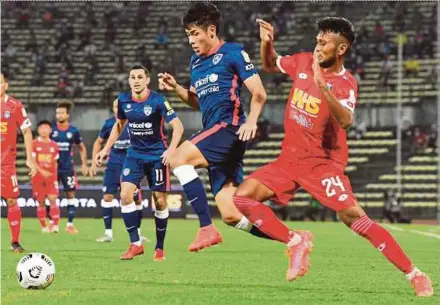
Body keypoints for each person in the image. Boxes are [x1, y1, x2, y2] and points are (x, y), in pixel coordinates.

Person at [232, 17, 433, 297]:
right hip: (289, 160)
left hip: (322, 165)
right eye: (317, 40)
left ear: (341, 49)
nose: (318, 45)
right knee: (242, 197)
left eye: (324, 42)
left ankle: (415, 274)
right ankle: (295, 241)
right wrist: (267, 44)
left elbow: (347, 120)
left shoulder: (345, 83)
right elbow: (270, 64)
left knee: (354, 218)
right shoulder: (303, 61)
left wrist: (322, 86)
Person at [158, 2, 269, 252]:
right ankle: (293, 239)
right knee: (230, 214)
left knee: (177, 159)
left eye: (195, 34)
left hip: (230, 128)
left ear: (211, 30)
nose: (191, 41)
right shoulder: (196, 63)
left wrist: (252, 120)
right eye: (188, 35)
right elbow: (199, 102)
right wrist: (177, 89)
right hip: (215, 133)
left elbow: (259, 93)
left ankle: (206, 227)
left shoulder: (232, 53)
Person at [95, 65, 184, 260]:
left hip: (157, 156)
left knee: (160, 202)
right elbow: (119, 126)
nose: (135, 80)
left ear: (147, 80)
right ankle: (135, 244)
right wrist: (105, 149)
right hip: (134, 155)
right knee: (126, 195)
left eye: (139, 77)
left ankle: (159, 247)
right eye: (132, 77)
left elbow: (178, 126)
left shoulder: (158, 101)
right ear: (129, 81)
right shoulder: (123, 101)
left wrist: (171, 150)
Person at [90, 99, 146, 244]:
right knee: (108, 197)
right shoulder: (109, 124)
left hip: (132, 164)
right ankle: (108, 233)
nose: (118, 108)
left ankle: (138, 233)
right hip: (114, 165)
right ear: (113, 108)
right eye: (115, 106)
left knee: (136, 198)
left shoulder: (136, 122)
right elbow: (98, 142)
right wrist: (94, 162)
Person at [0, 71, 37, 252]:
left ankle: (15, 241)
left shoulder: (14, 105)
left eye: (0, 82)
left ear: (6, 85)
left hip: (5, 165)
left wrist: (30, 158)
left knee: (12, 201)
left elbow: (27, 132)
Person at [51, 101, 89, 234]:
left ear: (67, 115)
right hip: (52, 169)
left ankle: (70, 224)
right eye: (57, 113)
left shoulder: (73, 131)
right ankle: (53, 223)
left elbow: (82, 148)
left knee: (70, 195)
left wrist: (84, 164)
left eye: (62, 113)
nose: (59, 115)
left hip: (67, 169)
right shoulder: (51, 130)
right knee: (51, 196)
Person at [32, 120, 61, 233]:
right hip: (38, 177)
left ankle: (55, 225)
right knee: (41, 202)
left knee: (53, 199)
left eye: (46, 128)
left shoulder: (54, 145)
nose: (43, 130)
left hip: (51, 177)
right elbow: (32, 161)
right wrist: (41, 171)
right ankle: (43, 226)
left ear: (50, 130)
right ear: (38, 130)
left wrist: (54, 176)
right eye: (41, 128)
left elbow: (55, 162)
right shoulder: (34, 144)